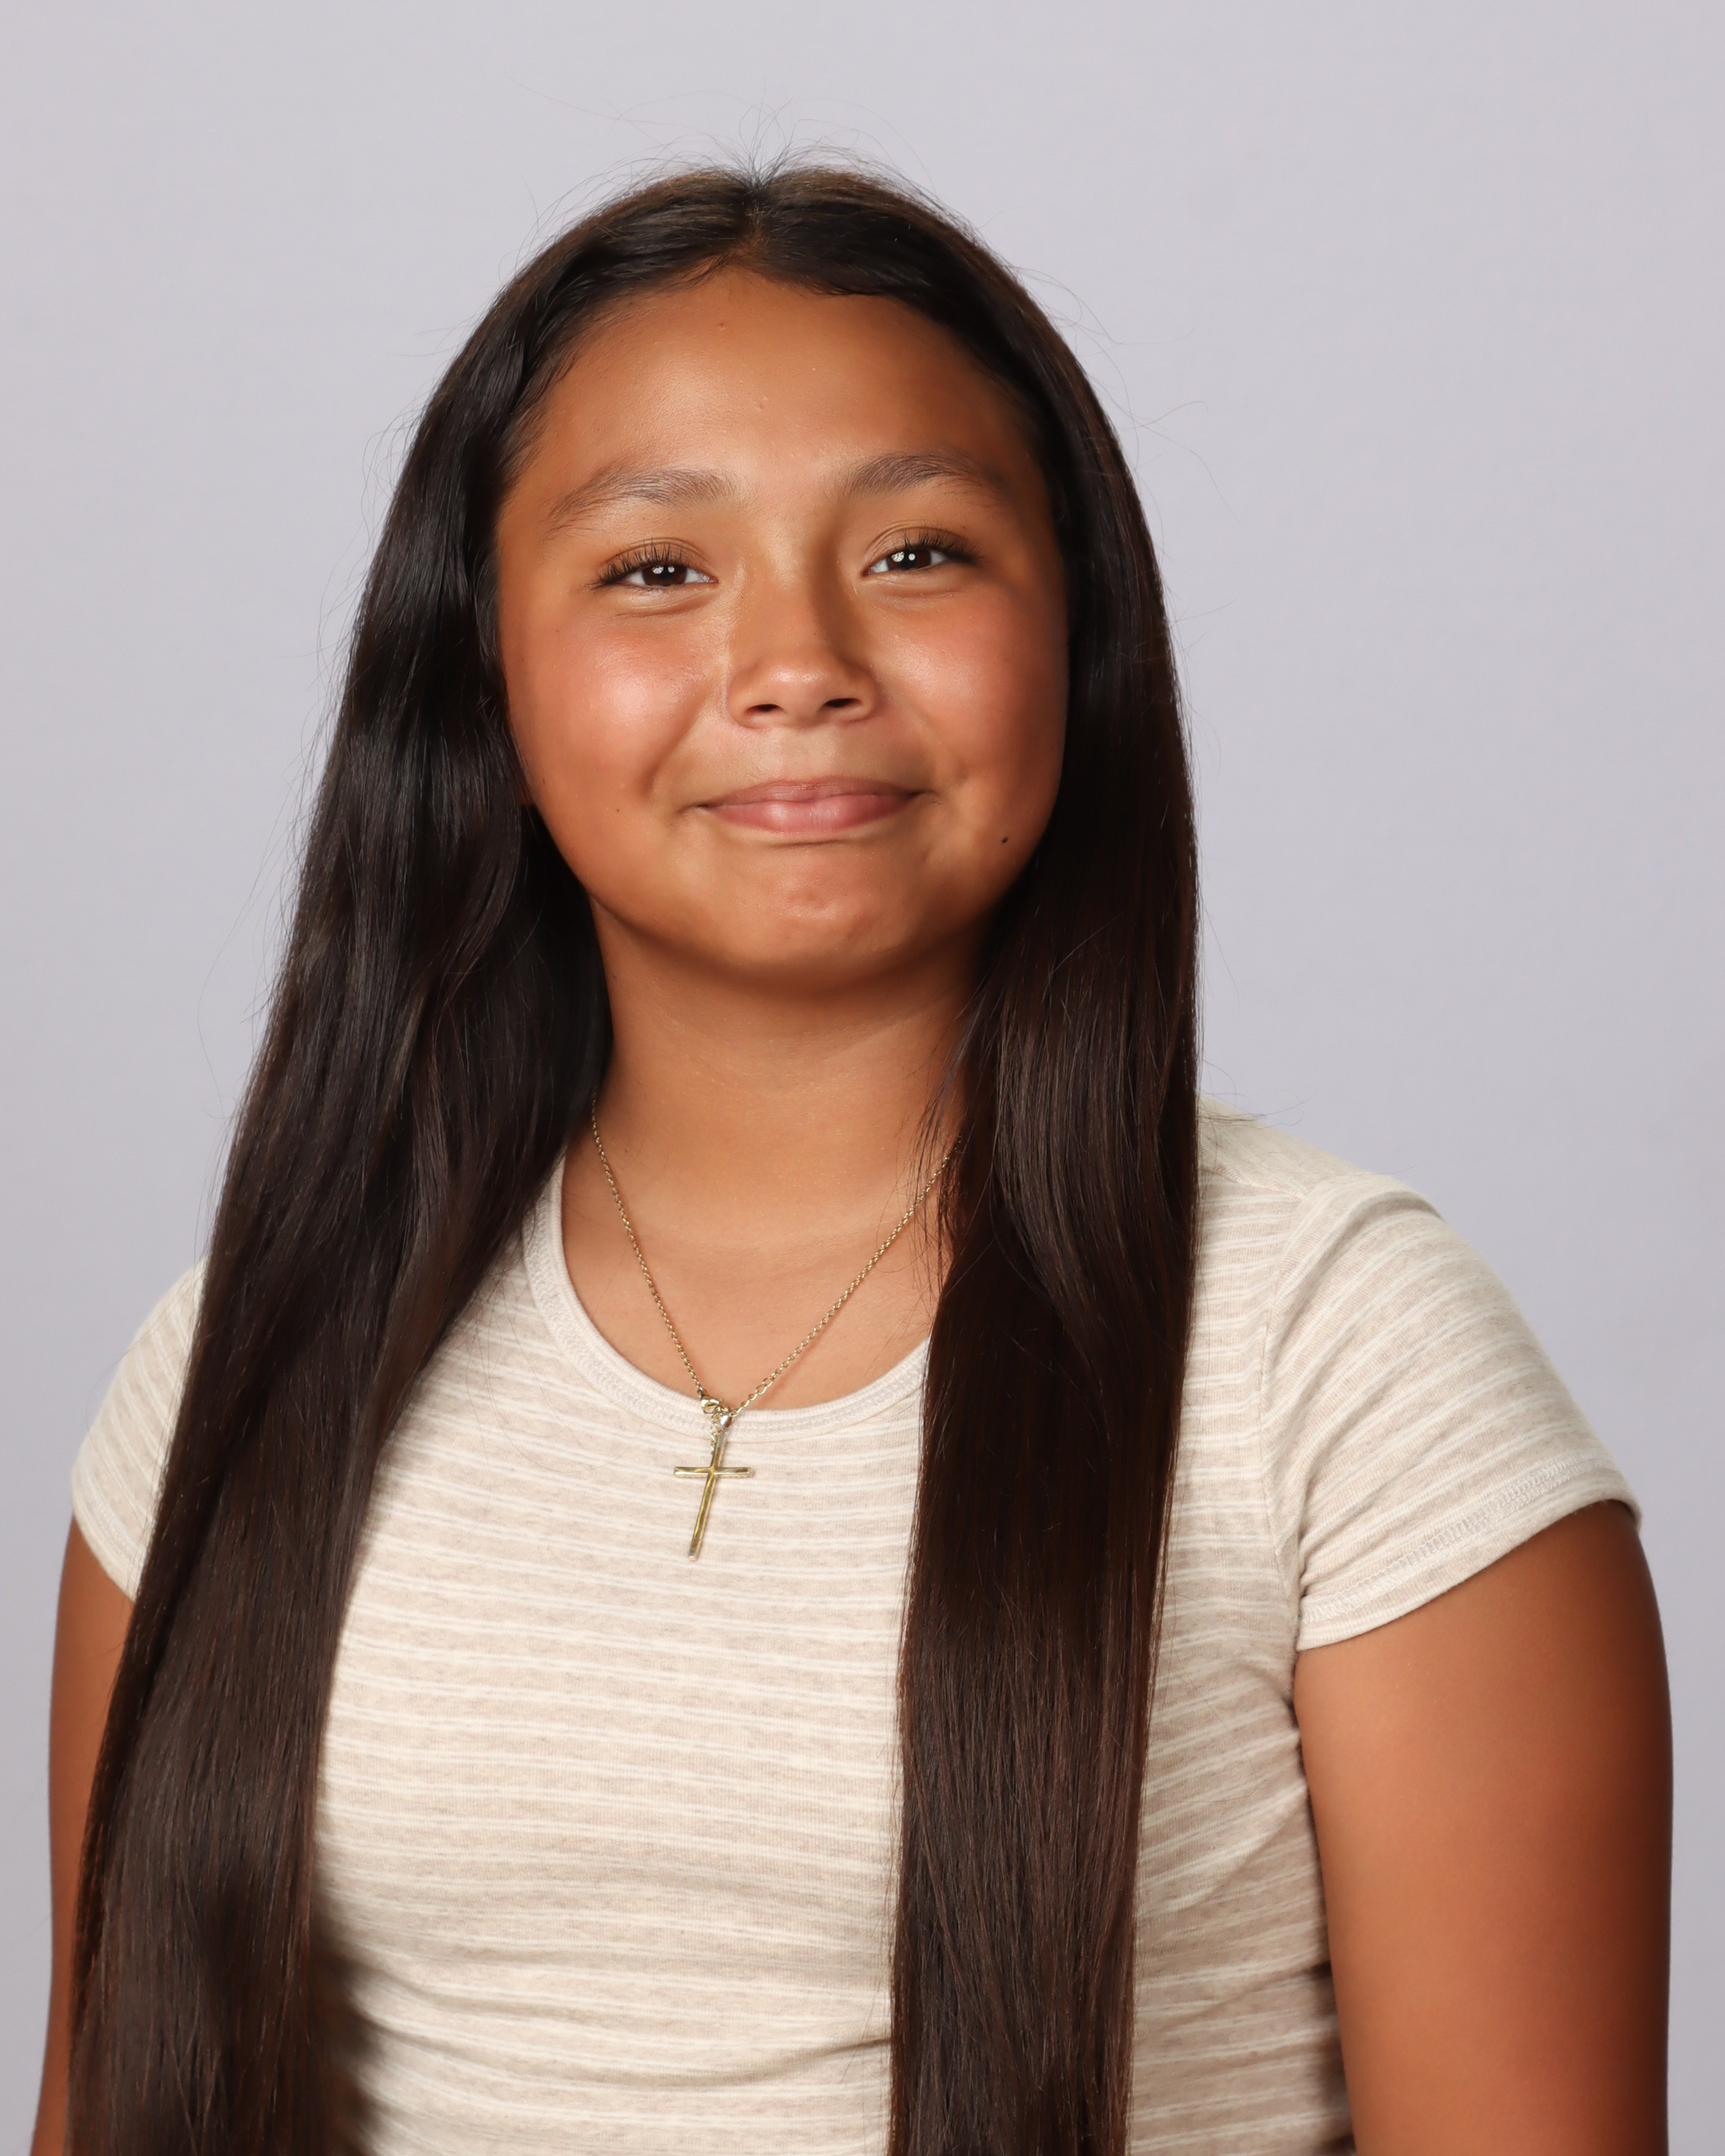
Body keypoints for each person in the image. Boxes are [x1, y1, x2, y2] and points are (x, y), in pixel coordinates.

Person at [33, 164, 1670, 2156]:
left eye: (917, 552)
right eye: (658, 568)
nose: (796, 660)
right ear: (484, 676)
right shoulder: (247, 1358)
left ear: (1079, 638)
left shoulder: (1349, 1363)